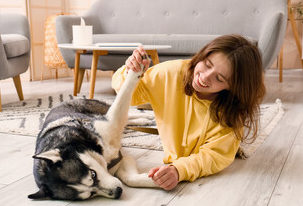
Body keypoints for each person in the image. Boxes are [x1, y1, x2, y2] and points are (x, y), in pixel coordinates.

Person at [112, 34, 266, 191]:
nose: (204, 77)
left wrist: (179, 170)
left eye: (219, 78)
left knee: (230, 143)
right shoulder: (172, 72)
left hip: (223, 131)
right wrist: (132, 72)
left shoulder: (231, 115)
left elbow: (213, 156)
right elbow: (132, 97)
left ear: (232, 86)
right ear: (202, 55)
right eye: (207, 64)